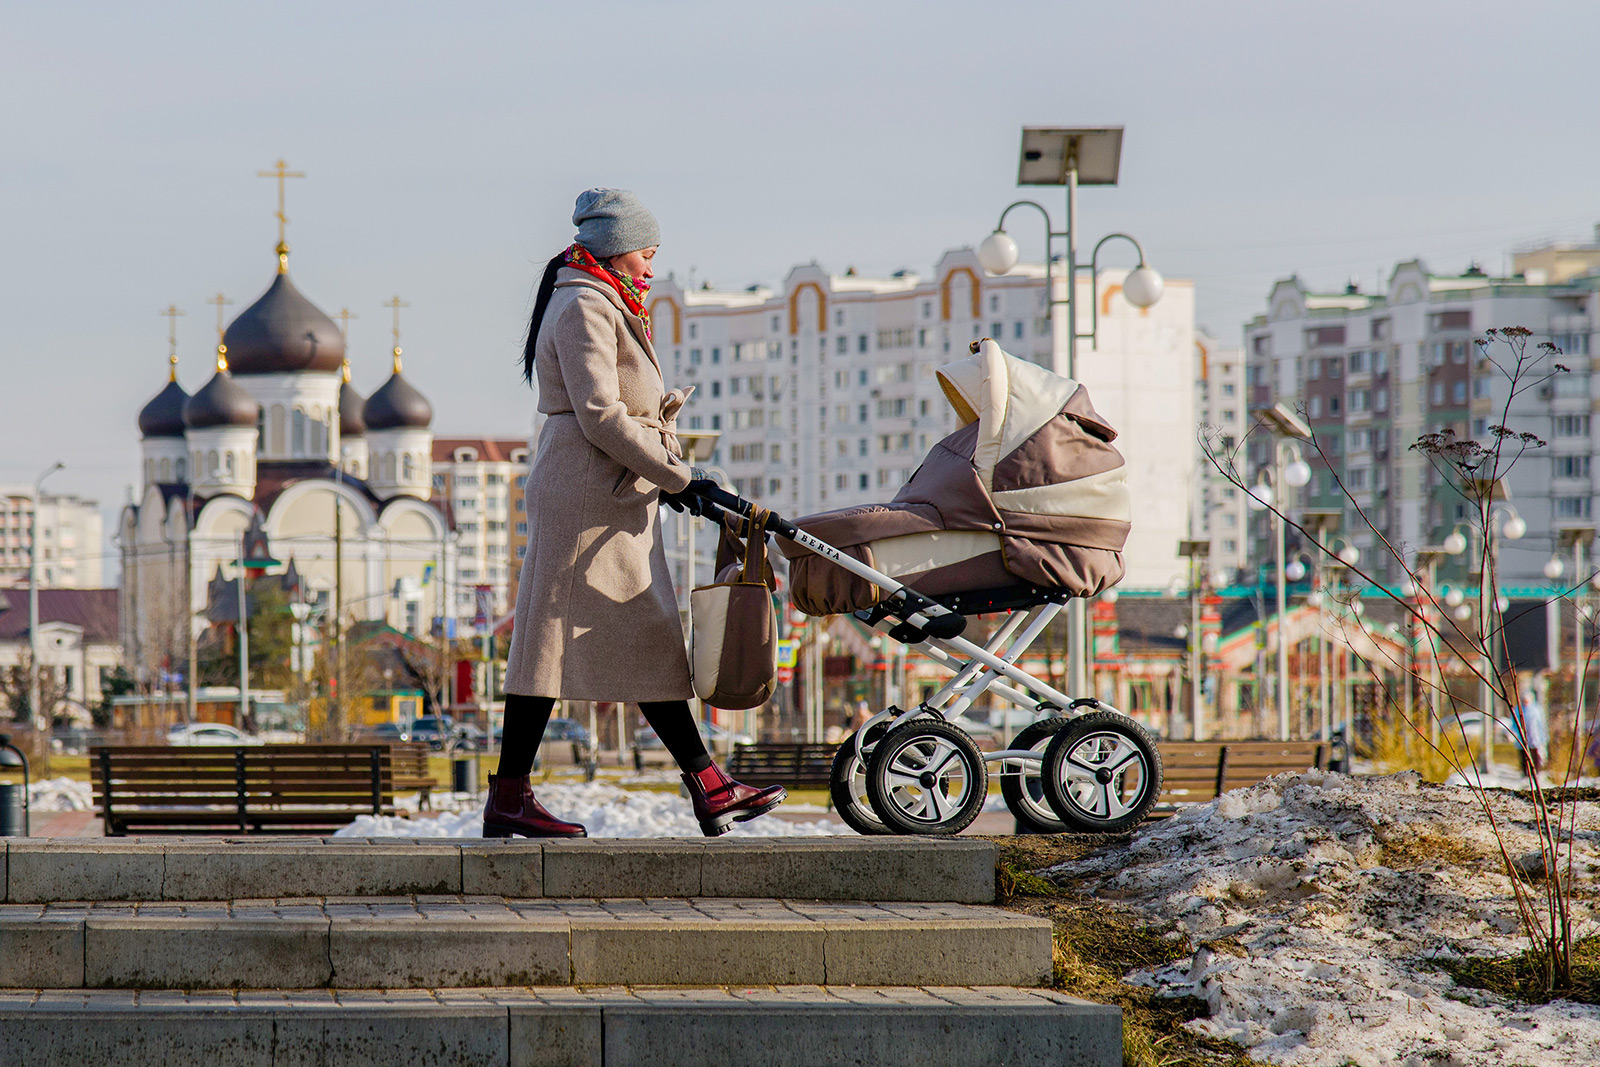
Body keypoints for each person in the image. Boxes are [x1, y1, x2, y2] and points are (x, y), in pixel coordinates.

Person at [484, 189, 787, 838]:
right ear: (617, 248)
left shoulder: (598, 298)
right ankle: (704, 784)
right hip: (589, 494)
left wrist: (670, 478)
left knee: (614, 639)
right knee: (560, 644)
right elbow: (599, 413)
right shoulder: (582, 304)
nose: (651, 270)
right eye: (647, 254)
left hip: (608, 490)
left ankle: (702, 785)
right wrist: (678, 474)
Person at [1511, 687, 1548, 781]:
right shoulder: (1518, 709)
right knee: (1523, 755)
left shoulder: (1536, 709)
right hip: (1522, 736)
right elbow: (1514, 723)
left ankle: (1535, 772)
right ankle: (1525, 773)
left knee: (1534, 754)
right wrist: (1515, 733)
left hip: (1534, 736)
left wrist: (1543, 736)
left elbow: (1541, 723)